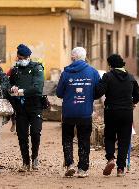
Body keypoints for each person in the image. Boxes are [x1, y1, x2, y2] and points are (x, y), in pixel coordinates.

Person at [56, 47, 100, 178]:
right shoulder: (93, 72)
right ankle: (82, 169)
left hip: (69, 112)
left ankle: (69, 164)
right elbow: (98, 92)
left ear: (73, 58)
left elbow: (59, 93)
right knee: (84, 140)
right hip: (85, 112)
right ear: (85, 57)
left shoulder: (66, 73)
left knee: (67, 138)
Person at [95, 54, 139, 177]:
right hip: (127, 112)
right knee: (124, 140)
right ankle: (120, 169)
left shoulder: (108, 76)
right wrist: (132, 103)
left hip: (111, 111)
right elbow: (138, 96)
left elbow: (98, 92)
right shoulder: (131, 78)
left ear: (110, 65)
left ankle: (110, 158)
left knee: (109, 136)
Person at [9, 44, 44, 172]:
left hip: (35, 106)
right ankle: (25, 161)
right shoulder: (15, 70)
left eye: (22, 58)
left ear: (28, 57)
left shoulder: (37, 68)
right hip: (21, 108)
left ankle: (35, 157)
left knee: (35, 132)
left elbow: (37, 88)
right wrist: (12, 88)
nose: (19, 60)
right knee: (22, 135)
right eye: (18, 58)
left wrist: (21, 91)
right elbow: (11, 83)